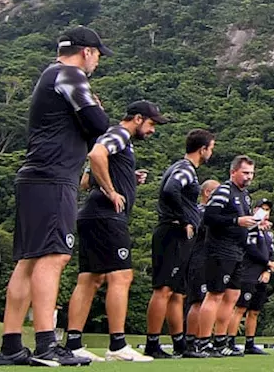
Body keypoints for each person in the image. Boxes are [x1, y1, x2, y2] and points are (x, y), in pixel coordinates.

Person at [0, 26, 111, 367]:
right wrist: (96, 110)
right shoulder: (70, 74)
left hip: (38, 176)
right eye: (98, 56)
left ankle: (11, 346)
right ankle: (47, 343)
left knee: (30, 260)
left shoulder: (51, 74)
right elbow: (98, 122)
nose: (97, 63)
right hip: (53, 177)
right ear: (87, 52)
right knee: (54, 256)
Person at [64, 101, 167, 363]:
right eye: (152, 124)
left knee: (90, 279)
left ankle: (73, 344)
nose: (153, 130)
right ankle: (118, 345)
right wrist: (112, 191)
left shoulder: (119, 140)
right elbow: (96, 155)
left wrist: (128, 178)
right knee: (121, 276)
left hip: (91, 214)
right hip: (107, 216)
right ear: (138, 118)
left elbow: (87, 181)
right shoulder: (120, 133)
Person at [145, 128, 215, 359]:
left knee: (177, 293)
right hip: (172, 232)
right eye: (211, 148)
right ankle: (152, 343)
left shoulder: (186, 169)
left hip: (179, 235)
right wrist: (184, 217)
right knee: (163, 289)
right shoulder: (184, 169)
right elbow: (170, 189)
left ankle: (179, 344)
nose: (211, 153)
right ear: (202, 149)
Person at [191, 156, 258, 357]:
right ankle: (202, 342)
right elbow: (209, 217)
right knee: (215, 295)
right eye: (245, 173)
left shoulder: (245, 195)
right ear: (233, 172)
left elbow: (244, 220)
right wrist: (237, 221)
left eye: (252, 173)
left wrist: (255, 223)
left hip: (238, 251)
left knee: (232, 296)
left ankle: (221, 341)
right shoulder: (224, 191)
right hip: (220, 249)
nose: (249, 177)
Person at [182, 179, 220, 356]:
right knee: (198, 300)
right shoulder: (199, 212)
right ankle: (191, 341)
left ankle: (201, 340)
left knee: (206, 299)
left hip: (209, 260)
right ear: (208, 193)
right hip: (198, 259)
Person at [233, 199, 274, 355]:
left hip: (262, 275)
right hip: (248, 273)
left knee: (255, 310)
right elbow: (250, 249)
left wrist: (268, 270)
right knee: (241, 308)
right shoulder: (249, 228)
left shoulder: (268, 233)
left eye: (267, 209)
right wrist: (267, 262)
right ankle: (230, 341)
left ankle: (250, 343)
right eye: (261, 209)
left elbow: (271, 254)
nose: (265, 212)